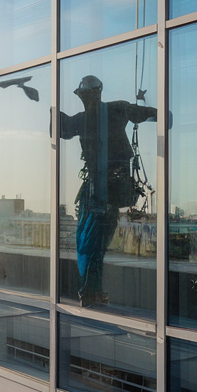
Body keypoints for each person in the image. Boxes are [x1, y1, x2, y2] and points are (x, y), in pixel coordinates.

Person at [59, 75, 157, 307]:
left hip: (99, 191)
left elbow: (61, 129)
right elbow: (146, 114)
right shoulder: (115, 110)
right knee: (95, 243)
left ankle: (90, 291)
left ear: (84, 95)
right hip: (108, 190)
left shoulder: (89, 118)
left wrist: (53, 112)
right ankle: (91, 290)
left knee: (90, 243)